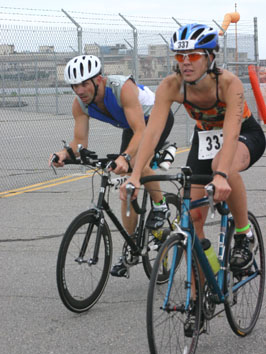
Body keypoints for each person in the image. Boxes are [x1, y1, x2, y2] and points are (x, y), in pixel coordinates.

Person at [120, 23, 266, 273]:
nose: (185, 62)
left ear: (209, 57)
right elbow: (152, 132)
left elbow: (231, 134)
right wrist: (135, 176)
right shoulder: (171, 85)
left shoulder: (229, 84)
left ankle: (244, 234)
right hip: (206, 135)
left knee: (222, 164)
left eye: (194, 55)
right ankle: (207, 284)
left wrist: (220, 176)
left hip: (242, 133)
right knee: (193, 218)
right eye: (180, 56)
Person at [49, 54, 174, 277]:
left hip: (154, 120)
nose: (79, 90)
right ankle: (132, 245)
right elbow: (79, 142)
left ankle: (160, 205)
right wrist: (65, 154)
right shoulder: (79, 105)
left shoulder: (121, 88)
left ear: (99, 80)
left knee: (136, 163)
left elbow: (142, 131)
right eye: (74, 86)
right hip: (132, 125)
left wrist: (125, 157)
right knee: (127, 189)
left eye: (84, 84)